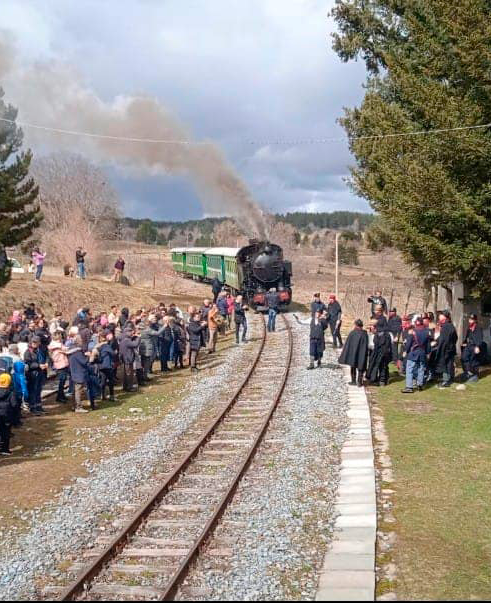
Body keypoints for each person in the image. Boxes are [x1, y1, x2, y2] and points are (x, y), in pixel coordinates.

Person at [401, 317, 431, 393]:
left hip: (413, 353)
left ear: (415, 323)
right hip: (422, 353)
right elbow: (428, 345)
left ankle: (409, 387)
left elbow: (409, 343)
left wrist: (406, 351)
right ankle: (420, 384)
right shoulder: (427, 332)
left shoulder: (412, 332)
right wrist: (428, 353)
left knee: (409, 369)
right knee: (421, 369)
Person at [338, 319, 369, 387]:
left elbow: (348, 344)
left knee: (353, 365)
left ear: (356, 325)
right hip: (362, 353)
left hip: (353, 353)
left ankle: (353, 380)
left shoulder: (353, 333)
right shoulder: (364, 334)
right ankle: (359, 382)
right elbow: (366, 345)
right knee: (361, 366)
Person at [24, 336, 47, 415]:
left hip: (40, 372)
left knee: (38, 390)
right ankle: (33, 407)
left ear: (39, 343)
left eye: (36, 342)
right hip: (32, 374)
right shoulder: (28, 352)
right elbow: (28, 363)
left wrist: (45, 363)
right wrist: (38, 365)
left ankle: (39, 406)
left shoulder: (40, 350)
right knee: (33, 390)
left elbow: (44, 358)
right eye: (33, 342)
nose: (34, 343)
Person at [434, 311, 458, 388]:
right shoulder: (449, 326)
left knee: (446, 364)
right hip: (449, 348)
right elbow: (455, 338)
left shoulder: (447, 326)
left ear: (445, 317)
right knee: (449, 364)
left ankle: (446, 381)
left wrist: (440, 347)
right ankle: (448, 379)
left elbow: (444, 339)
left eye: (441, 316)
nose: (439, 317)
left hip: (446, 349)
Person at [67, 337, 90, 412]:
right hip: (79, 373)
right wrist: (88, 356)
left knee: (75, 390)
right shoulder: (78, 353)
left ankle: (74, 405)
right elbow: (84, 362)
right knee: (78, 391)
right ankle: (78, 407)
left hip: (73, 373)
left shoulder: (71, 352)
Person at [461, 313, 484, 383]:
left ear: (475, 320)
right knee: (464, 358)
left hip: (475, 346)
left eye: (472, 319)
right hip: (468, 346)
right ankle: (468, 372)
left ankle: (475, 375)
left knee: (474, 361)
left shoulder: (478, 328)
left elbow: (480, 339)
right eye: (470, 319)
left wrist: (477, 346)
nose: (470, 320)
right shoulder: (469, 328)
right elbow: (467, 337)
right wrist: (464, 342)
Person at [48, 331, 70, 403]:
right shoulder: (55, 345)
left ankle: (62, 395)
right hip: (60, 364)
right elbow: (60, 351)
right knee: (61, 380)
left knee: (63, 381)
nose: (61, 337)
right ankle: (59, 396)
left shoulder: (59, 344)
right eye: (59, 336)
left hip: (64, 363)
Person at [120, 325, 141, 391]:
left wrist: (134, 336)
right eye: (131, 332)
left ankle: (126, 386)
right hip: (128, 359)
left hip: (126, 359)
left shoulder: (124, 339)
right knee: (129, 374)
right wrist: (138, 337)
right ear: (127, 332)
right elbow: (135, 344)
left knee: (126, 374)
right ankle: (129, 387)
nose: (132, 333)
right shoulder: (126, 340)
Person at [0, 373, 16, 455]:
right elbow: (14, 404)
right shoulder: (10, 393)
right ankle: (5, 449)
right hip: (7, 415)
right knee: (6, 432)